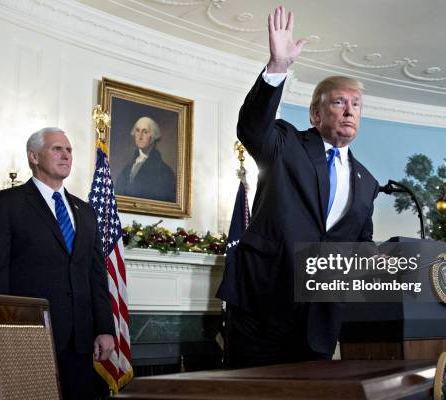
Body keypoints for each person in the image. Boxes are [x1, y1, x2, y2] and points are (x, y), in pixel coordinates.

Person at [216, 6, 380, 368]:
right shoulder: (286, 144)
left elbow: (360, 243)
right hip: (262, 308)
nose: (349, 110)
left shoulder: (367, 181)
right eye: (339, 102)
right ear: (315, 114)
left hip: (318, 323)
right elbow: (252, 127)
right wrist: (278, 68)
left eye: (356, 104)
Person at [0, 127, 115, 400]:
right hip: (27, 337)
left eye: (69, 150)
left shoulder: (86, 212)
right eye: (56, 149)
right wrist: (0, 335)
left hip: (80, 341)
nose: (66, 155)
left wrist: (104, 327)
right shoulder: (5, 204)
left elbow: (96, 275)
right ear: (34, 156)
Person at [115, 116, 176, 202]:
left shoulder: (164, 172)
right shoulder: (126, 169)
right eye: (137, 131)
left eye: (145, 132)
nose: (140, 136)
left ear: (154, 136)